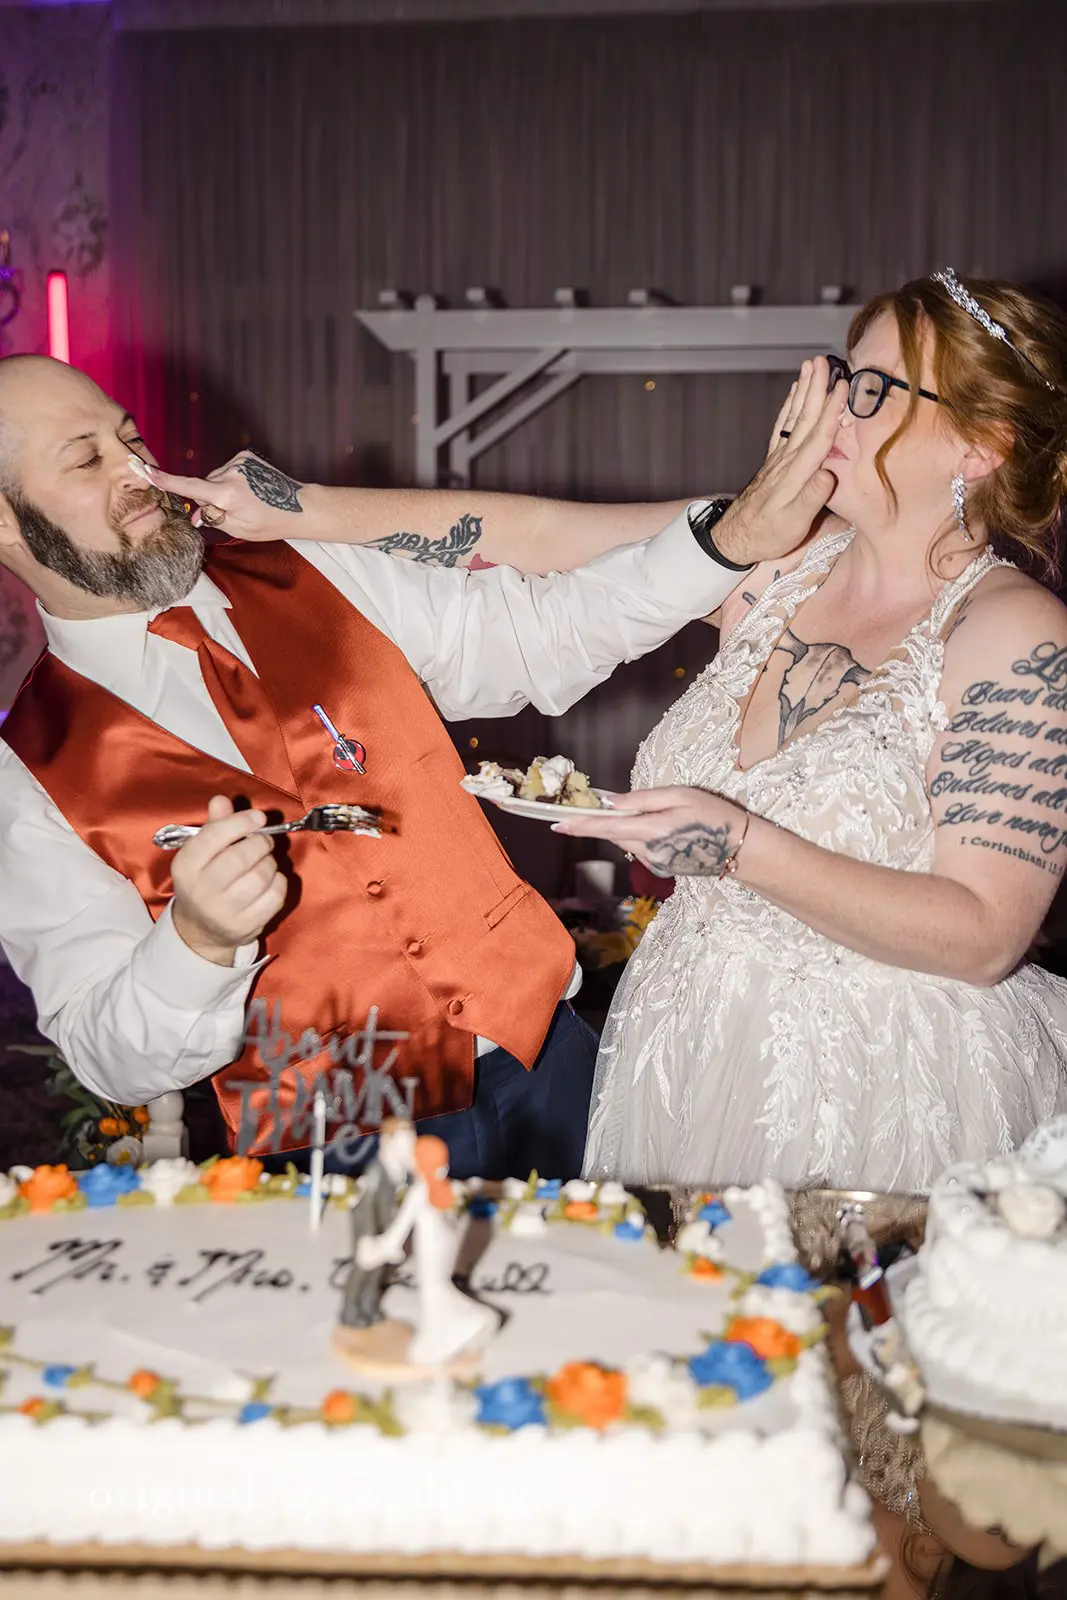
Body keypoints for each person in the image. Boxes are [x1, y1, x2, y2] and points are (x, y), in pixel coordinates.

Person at [0, 353, 836, 1181]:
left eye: (131, 438)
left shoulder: (308, 563)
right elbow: (107, 1058)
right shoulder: (28, 770)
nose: (139, 470)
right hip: (336, 1151)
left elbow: (544, 631)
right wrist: (197, 941)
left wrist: (725, 544)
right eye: (86, 459)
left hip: (552, 1060)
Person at [559, 271, 1067, 1193]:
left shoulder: (1014, 633)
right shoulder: (773, 561)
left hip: (880, 1078)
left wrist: (740, 845)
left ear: (980, 443)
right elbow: (529, 540)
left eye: (870, 389)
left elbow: (986, 934)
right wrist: (305, 510)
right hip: (682, 1044)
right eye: (842, 375)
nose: (832, 406)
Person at [355, 1133, 498, 1369]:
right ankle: (467, 1323)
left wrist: (382, 1246)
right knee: (440, 1285)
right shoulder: (445, 1186)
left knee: (433, 1290)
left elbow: (401, 1227)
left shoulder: (420, 1191)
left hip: (431, 1245)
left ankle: (447, 1336)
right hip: (446, 1243)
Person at [338, 1115, 414, 1330]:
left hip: (384, 1223)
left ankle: (369, 1304)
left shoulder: (398, 1168)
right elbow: (367, 1203)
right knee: (363, 1267)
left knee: (379, 1267)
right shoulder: (376, 1171)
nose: (409, 1147)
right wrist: (368, 1236)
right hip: (367, 1224)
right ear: (388, 1141)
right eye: (404, 1142)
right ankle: (349, 1311)